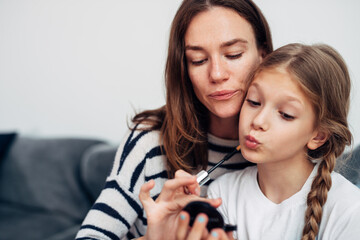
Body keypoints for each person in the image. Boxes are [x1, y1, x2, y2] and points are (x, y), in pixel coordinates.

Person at [75, 0, 273, 239]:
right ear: (184, 68)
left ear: (264, 55)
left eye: (233, 54)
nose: (217, 74)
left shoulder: (288, 147)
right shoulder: (149, 141)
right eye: (198, 60)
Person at [140, 43, 360, 240]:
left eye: (285, 114)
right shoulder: (223, 195)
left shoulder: (349, 209)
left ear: (319, 135)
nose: (258, 121)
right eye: (254, 101)